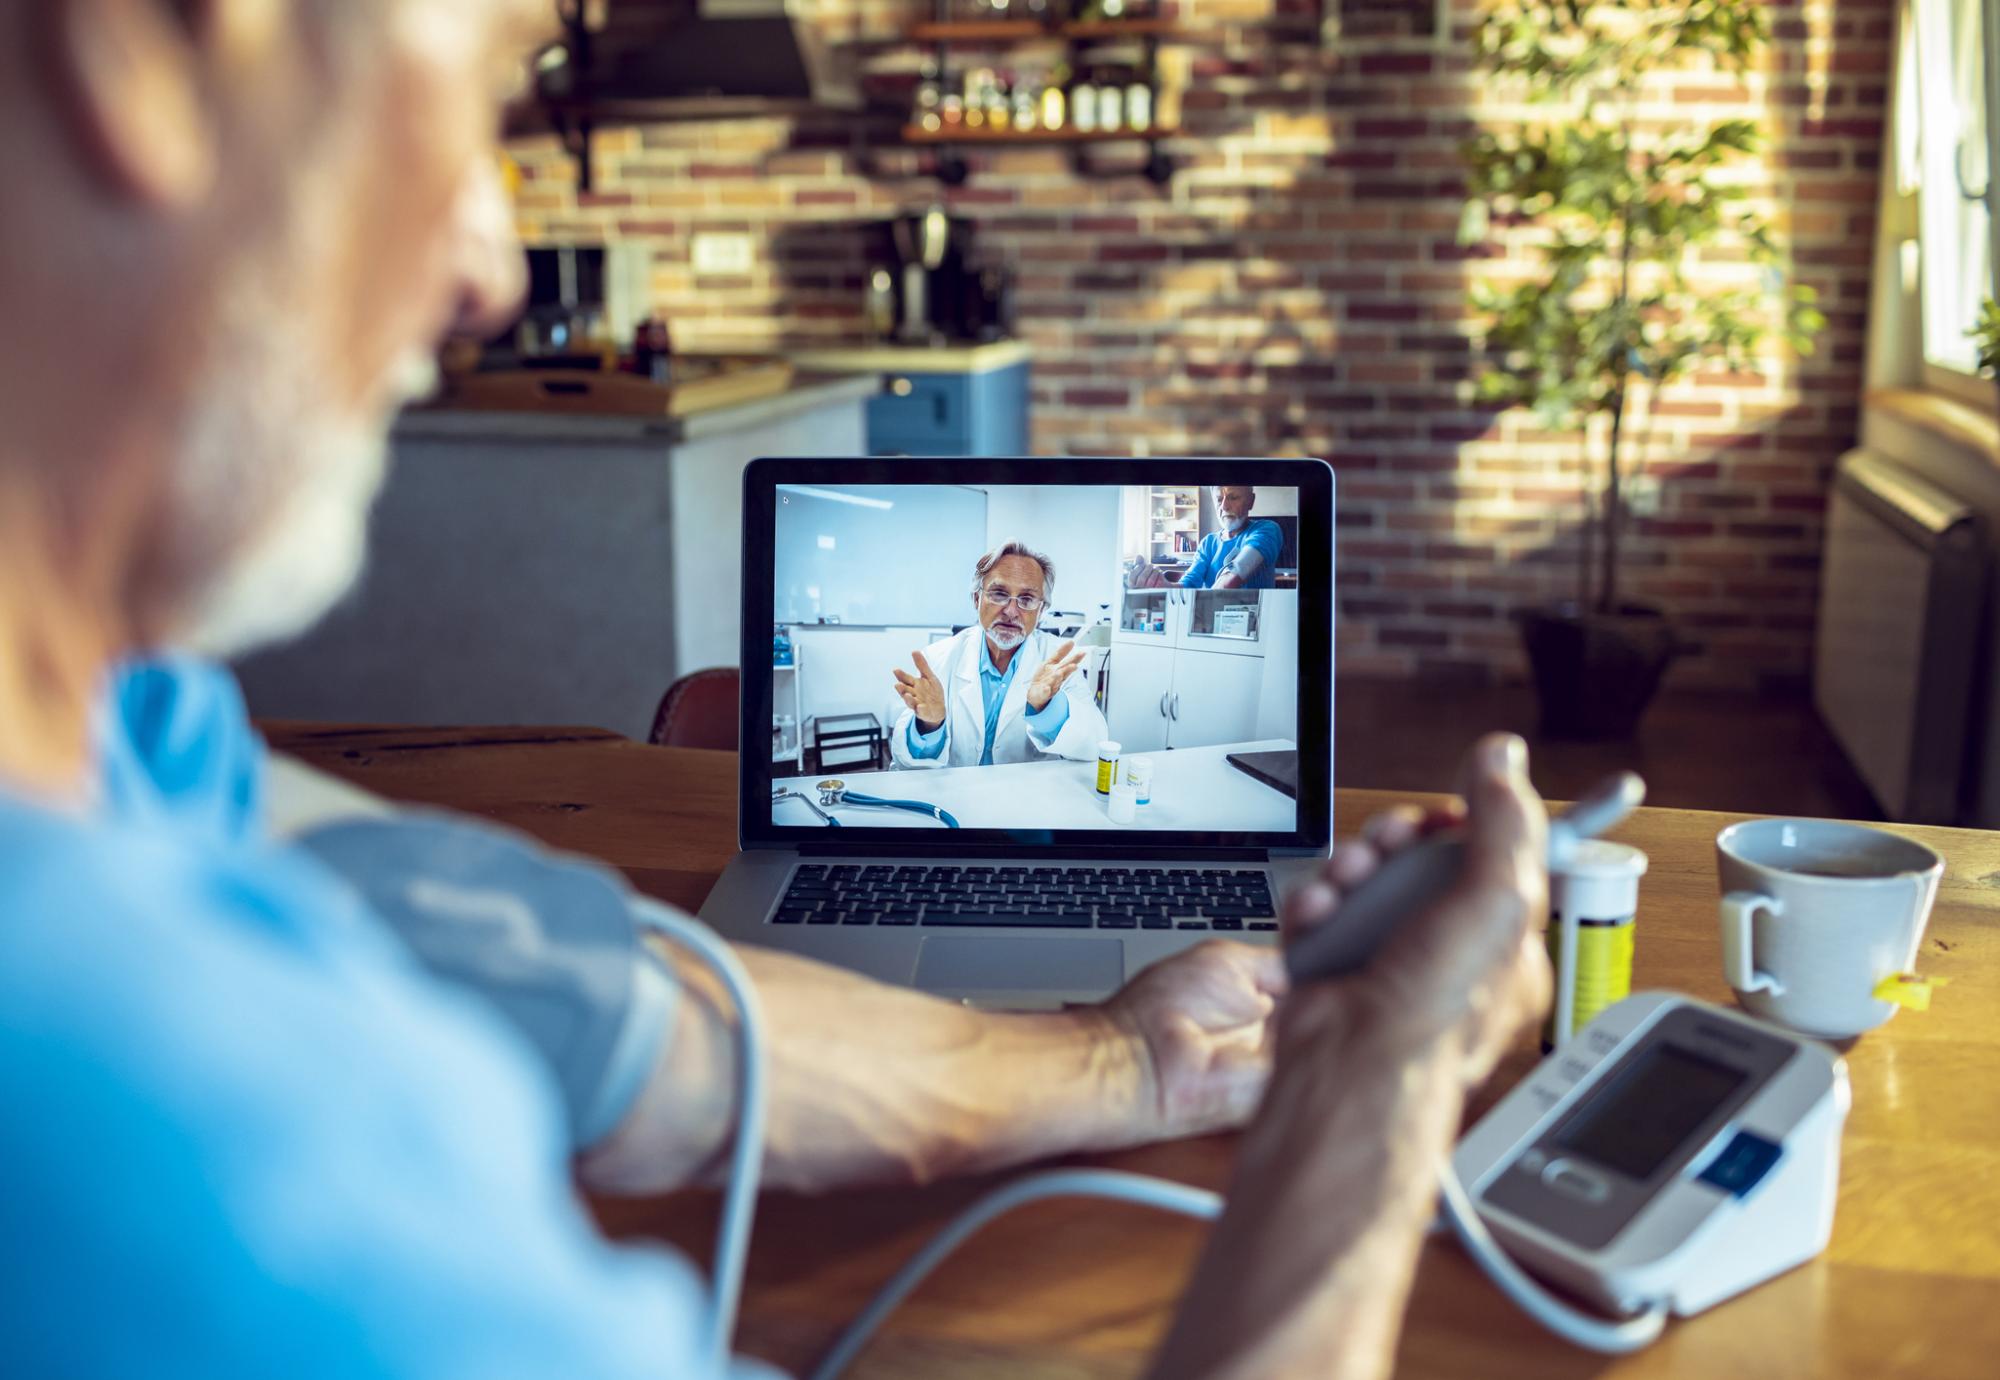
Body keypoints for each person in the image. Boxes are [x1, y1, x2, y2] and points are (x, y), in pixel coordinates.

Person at [0, 4, 1551, 1377]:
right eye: (484, 82)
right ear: (153, 42)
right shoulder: (159, 1115)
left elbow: (581, 999)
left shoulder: (123, 739)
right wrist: (1371, 1099)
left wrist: (1130, 1058)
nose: (488, 263)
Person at [888, 541, 1107, 769]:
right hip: (955, 795)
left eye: (1027, 599)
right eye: (999, 594)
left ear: (1041, 610)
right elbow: (905, 767)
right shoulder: (937, 659)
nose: (1011, 611)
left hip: (1028, 797)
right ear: (976, 599)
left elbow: (1095, 744)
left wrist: (1048, 708)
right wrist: (930, 726)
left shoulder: (1059, 663)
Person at [1179, 485, 1285, 590]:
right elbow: (1189, 582)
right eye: (1219, 499)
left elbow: (1235, 573)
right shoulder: (1207, 542)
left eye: (1233, 498)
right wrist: (1165, 586)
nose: (1224, 506)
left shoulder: (1267, 529)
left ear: (1250, 501)